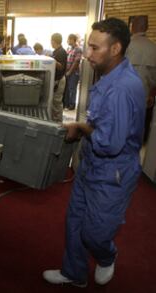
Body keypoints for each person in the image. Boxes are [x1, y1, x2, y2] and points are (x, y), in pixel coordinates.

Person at [43, 18, 146, 287]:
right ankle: (74, 272)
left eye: (94, 48)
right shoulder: (109, 76)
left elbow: (110, 143)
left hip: (113, 172)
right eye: (88, 47)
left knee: (95, 234)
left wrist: (81, 128)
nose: (87, 54)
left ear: (115, 49)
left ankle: (106, 255)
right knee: (75, 223)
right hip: (91, 164)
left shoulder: (122, 88)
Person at [125, 15, 156, 142]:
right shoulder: (153, 48)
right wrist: (151, 94)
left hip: (124, 94)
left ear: (132, 27)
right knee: (138, 129)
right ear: (147, 28)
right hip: (144, 96)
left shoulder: (126, 45)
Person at [63, 34, 83, 110]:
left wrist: (70, 72)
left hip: (74, 73)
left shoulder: (78, 49)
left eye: (69, 39)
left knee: (72, 89)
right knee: (67, 89)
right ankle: (67, 104)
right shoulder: (69, 48)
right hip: (67, 72)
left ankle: (72, 105)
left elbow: (76, 62)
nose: (68, 41)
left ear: (73, 40)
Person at [50, 33, 67, 122]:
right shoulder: (55, 51)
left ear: (54, 41)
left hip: (59, 79)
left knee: (57, 102)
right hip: (56, 79)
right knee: (54, 102)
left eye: (51, 41)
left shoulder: (61, 52)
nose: (50, 43)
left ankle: (58, 123)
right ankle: (54, 120)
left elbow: (61, 66)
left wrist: (52, 60)